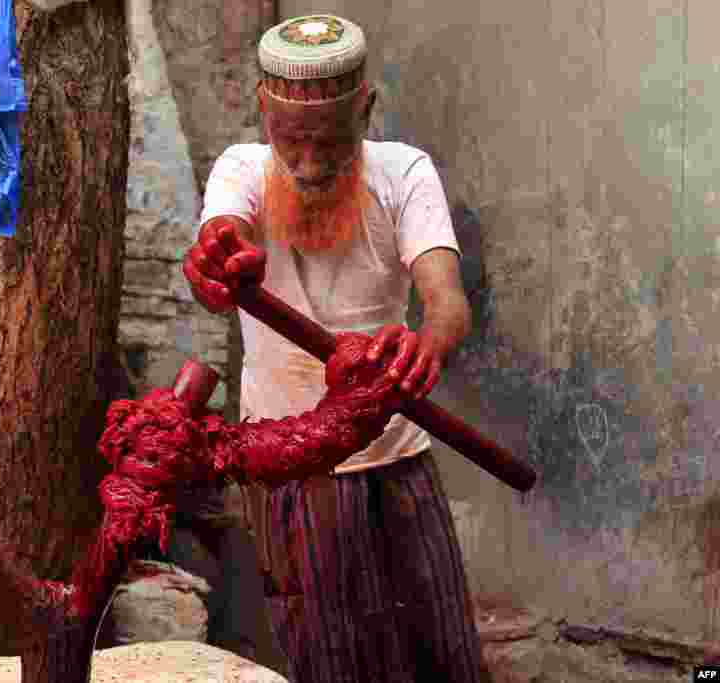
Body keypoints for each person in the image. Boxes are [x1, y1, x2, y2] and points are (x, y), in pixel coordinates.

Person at [182, 14, 483, 683]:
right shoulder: (242, 171)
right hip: (290, 467)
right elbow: (217, 243)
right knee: (331, 666)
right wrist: (218, 257)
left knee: (445, 657)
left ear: (366, 110)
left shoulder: (404, 173)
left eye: (329, 141)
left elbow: (448, 302)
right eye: (291, 140)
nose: (310, 163)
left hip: (399, 455)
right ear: (264, 112)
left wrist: (425, 342)